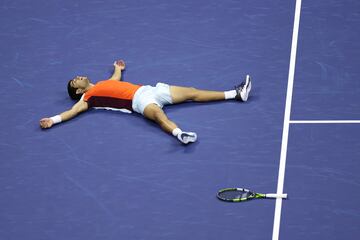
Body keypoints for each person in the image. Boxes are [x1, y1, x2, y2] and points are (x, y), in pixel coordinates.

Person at [39, 60, 252, 144]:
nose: (78, 76)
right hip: (139, 103)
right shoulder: (87, 99)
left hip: (150, 90)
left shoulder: (102, 84)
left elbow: (114, 80)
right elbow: (72, 111)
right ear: (78, 90)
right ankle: (180, 134)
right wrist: (53, 119)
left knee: (192, 92)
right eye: (74, 81)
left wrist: (118, 68)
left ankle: (235, 94)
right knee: (160, 116)